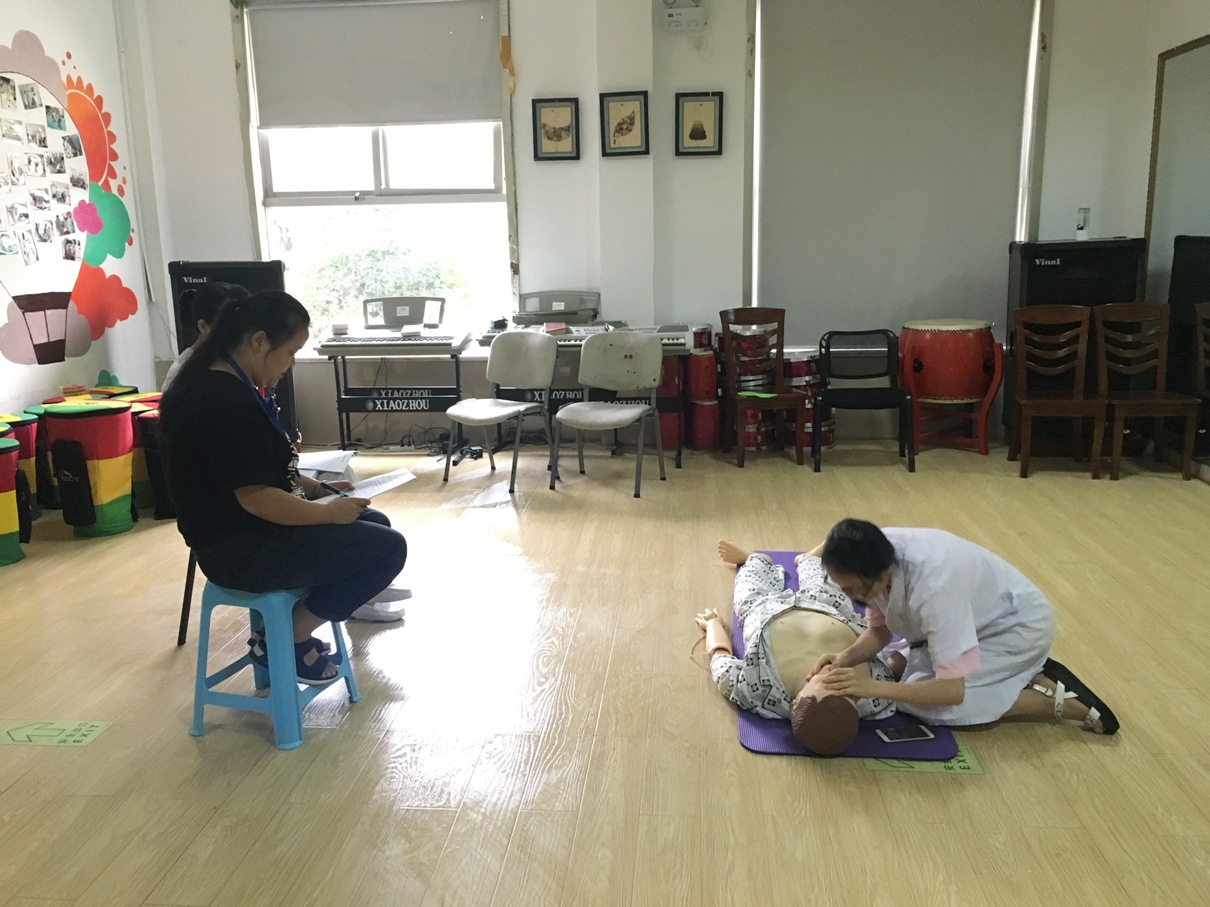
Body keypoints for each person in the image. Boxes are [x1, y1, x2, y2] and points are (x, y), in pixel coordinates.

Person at [159, 290, 408, 684]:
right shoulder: (223, 401)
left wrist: (317, 489)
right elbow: (257, 497)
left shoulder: (223, 384)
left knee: (375, 524)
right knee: (388, 549)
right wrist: (327, 514)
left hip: (248, 536)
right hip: (241, 550)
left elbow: (262, 471)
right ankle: (286, 636)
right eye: (291, 351)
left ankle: (284, 631)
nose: (291, 364)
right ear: (259, 341)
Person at [810, 519, 1119, 735]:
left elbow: (951, 691)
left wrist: (871, 688)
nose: (848, 595)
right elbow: (880, 632)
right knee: (895, 665)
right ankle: (1021, 672)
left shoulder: (934, 587)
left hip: (1013, 629)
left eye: (850, 589)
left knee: (931, 707)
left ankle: (1057, 701)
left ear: (876, 576)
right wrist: (843, 658)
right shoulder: (874, 552)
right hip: (973, 618)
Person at [697, 540, 901, 755]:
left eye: (824, 682)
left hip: (763, 608)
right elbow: (894, 660)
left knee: (748, 586)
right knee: (827, 583)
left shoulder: (760, 691)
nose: (831, 674)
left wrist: (713, 626)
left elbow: (722, 665)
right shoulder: (875, 696)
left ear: (795, 703)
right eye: (844, 688)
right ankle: (808, 560)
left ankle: (754, 560)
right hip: (828, 607)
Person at [162, 282, 249, 392]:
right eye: (231, 327)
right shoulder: (184, 373)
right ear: (203, 326)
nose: (240, 335)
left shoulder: (231, 359)